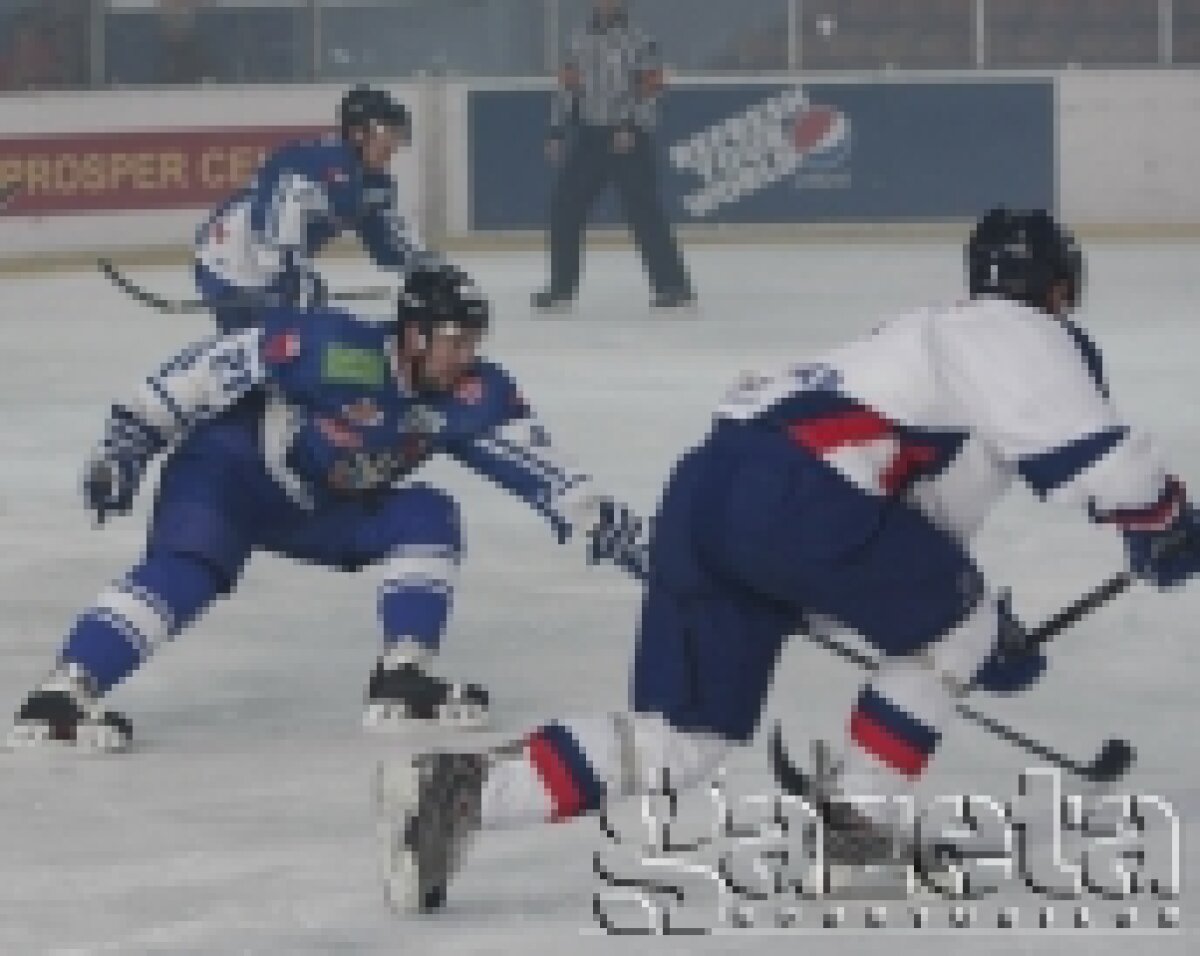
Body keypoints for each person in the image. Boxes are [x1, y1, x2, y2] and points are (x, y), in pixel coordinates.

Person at [377, 208, 1200, 913]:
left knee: (684, 739)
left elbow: (900, 527)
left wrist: (963, 624)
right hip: (800, 500)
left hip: (710, 487)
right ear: (1058, 289)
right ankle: (859, 826)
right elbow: (1105, 463)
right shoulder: (1019, 332)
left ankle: (463, 792)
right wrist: (1165, 525)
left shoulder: (915, 342)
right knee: (958, 624)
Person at [5, 267, 640, 752]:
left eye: (473, 341)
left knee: (429, 515)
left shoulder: (472, 393)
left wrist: (606, 523)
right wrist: (127, 444)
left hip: (318, 507)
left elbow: (537, 465)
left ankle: (402, 676)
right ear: (414, 335)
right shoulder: (331, 348)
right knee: (186, 573)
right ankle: (62, 696)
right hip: (229, 473)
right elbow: (201, 373)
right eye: (454, 340)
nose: (466, 355)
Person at [195, 84, 440, 333]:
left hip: (267, 268)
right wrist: (289, 273)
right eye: (387, 132)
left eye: (396, 134)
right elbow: (272, 219)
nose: (394, 144)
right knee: (263, 345)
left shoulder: (375, 185)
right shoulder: (314, 161)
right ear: (358, 132)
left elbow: (388, 243)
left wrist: (430, 269)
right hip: (226, 258)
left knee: (289, 341)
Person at [531, 0, 694, 313]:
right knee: (565, 206)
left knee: (644, 212)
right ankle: (561, 288)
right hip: (590, 136)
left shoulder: (641, 40)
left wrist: (632, 126)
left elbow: (653, 91)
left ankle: (674, 286)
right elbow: (567, 89)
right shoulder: (578, 39)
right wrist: (556, 129)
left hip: (628, 138)